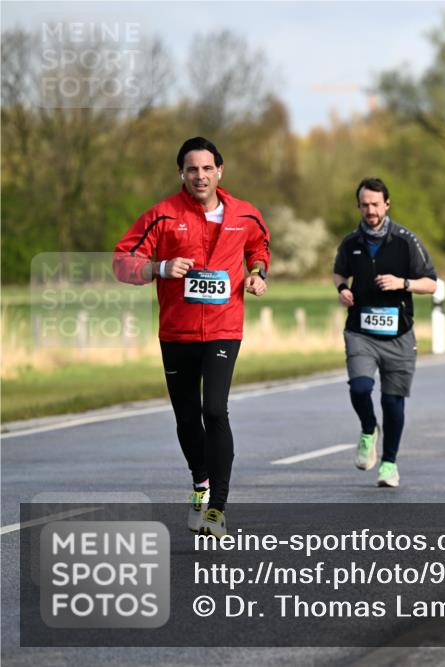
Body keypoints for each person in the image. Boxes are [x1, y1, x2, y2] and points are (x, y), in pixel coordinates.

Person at [113, 137, 270, 538]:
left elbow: (259, 246)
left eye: (206, 168)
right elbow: (122, 261)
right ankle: (200, 482)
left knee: (214, 410)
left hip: (223, 327)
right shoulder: (163, 216)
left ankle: (217, 506)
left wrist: (257, 273)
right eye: (191, 169)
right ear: (181, 173)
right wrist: (160, 269)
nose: (200, 176)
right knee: (186, 416)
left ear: (220, 170)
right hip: (177, 331)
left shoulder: (245, 215)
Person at [333, 178, 438, 488]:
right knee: (360, 388)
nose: (370, 210)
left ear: (386, 205)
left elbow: (431, 283)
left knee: (393, 402)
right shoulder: (351, 242)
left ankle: (389, 464)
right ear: (359, 206)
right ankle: (368, 429)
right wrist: (341, 288)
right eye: (364, 205)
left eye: (375, 204)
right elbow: (340, 271)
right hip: (360, 332)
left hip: (399, 334)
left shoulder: (406, 240)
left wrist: (402, 283)